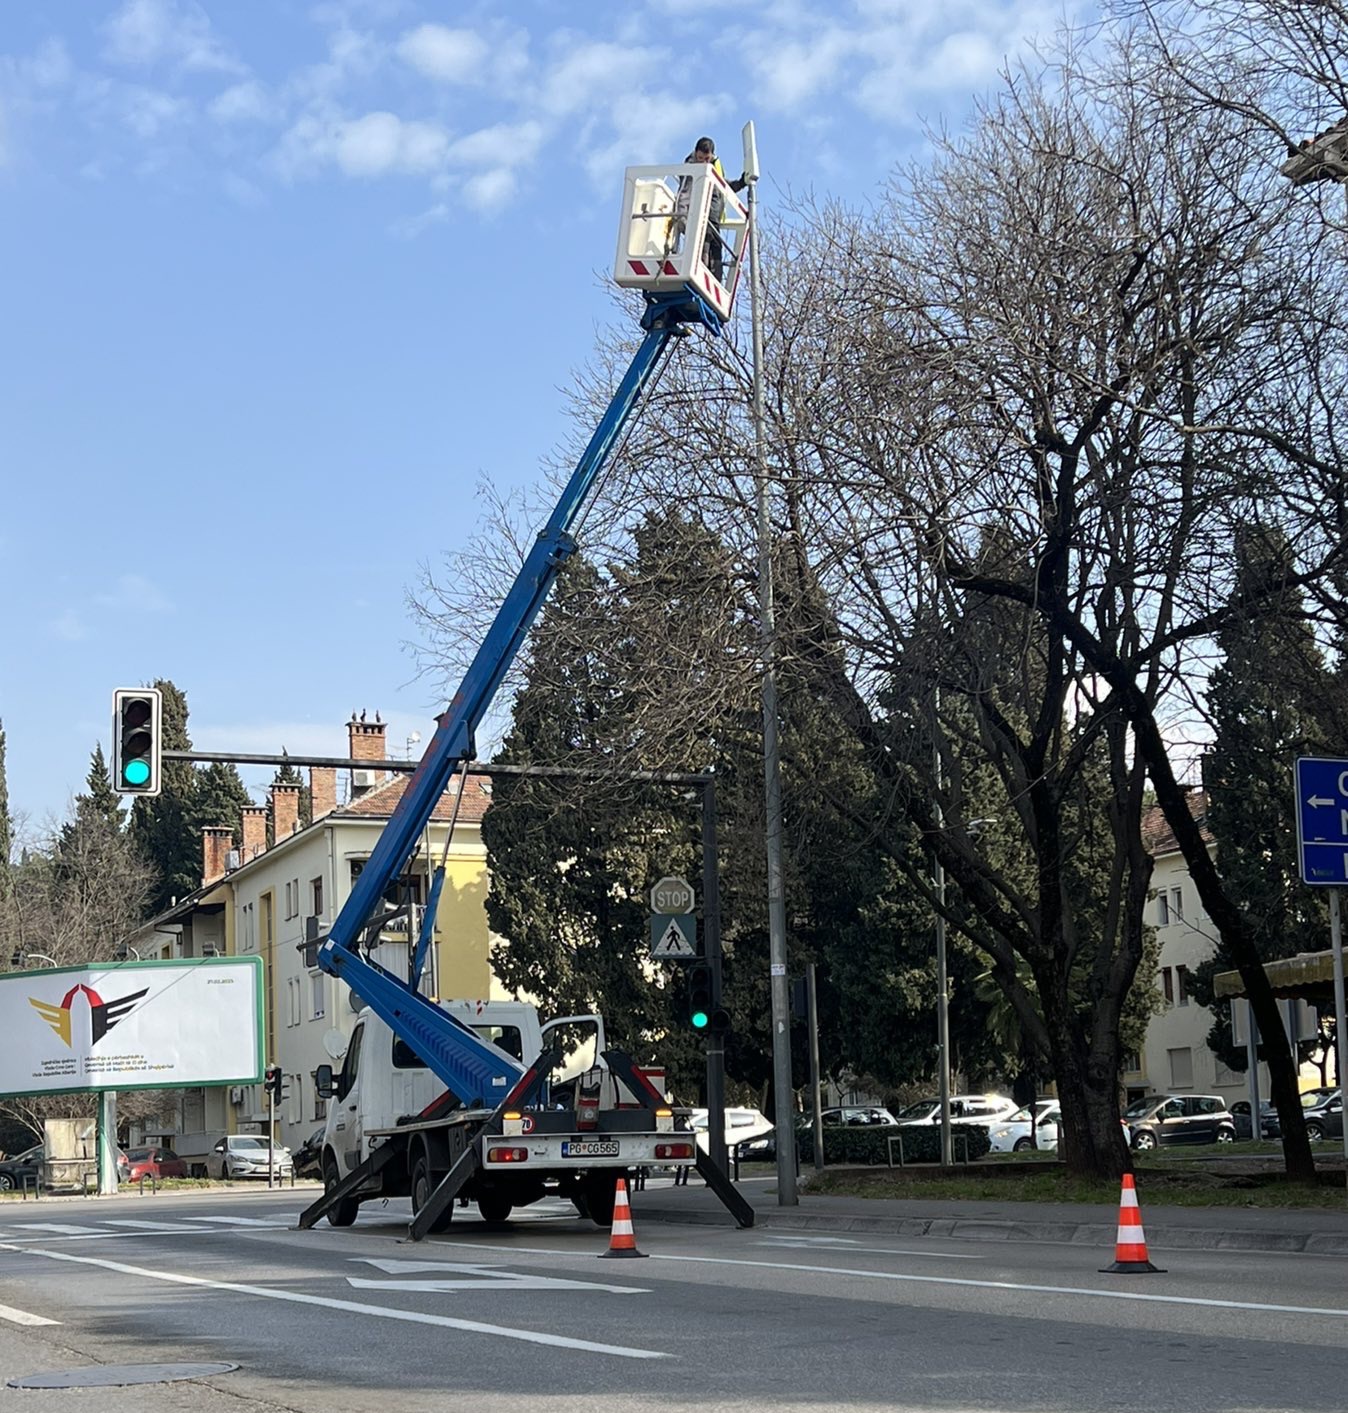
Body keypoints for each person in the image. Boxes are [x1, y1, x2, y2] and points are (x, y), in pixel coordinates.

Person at [680, 136, 746, 283]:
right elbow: (684, 193)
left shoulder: (714, 165)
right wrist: (683, 219)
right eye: (700, 158)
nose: (703, 162)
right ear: (695, 153)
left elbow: (723, 187)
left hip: (713, 217)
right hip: (701, 216)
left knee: (716, 250)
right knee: (704, 249)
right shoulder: (691, 168)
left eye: (706, 159)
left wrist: (741, 183)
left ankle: (715, 282)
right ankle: (701, 281)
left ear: (711, 156)